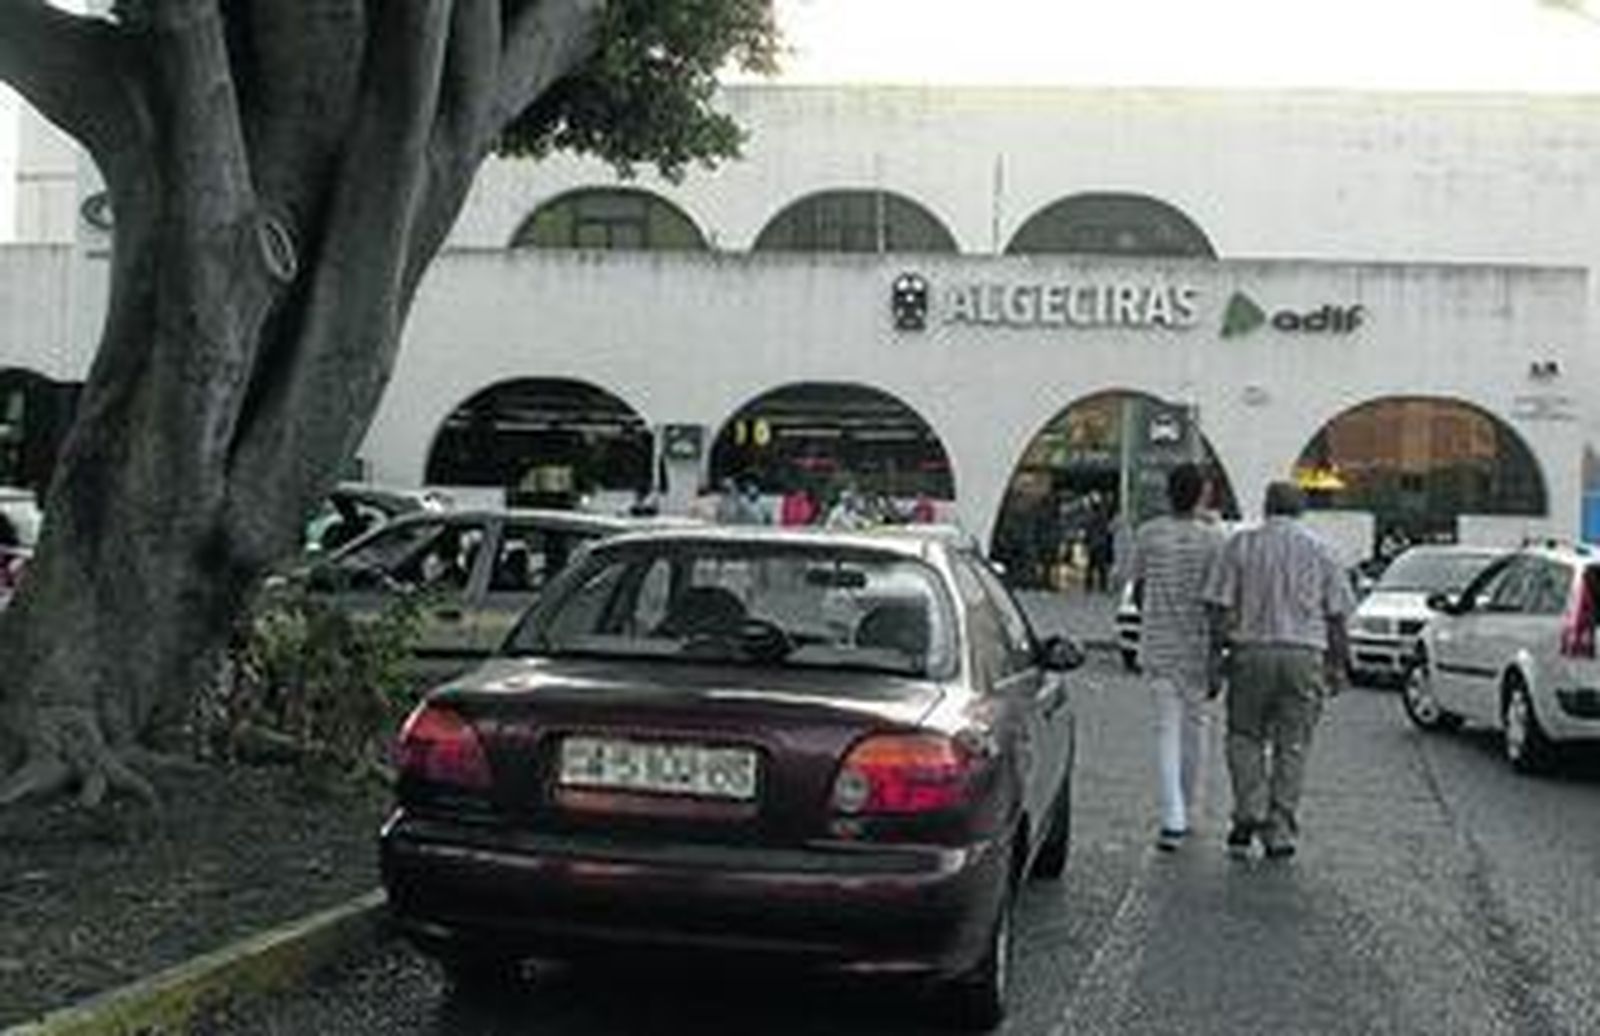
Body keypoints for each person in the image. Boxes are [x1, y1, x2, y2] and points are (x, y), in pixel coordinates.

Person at [1201, 481, 1355, 860]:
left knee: (1243, 735)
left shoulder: (1240, 545)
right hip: (1304, 654)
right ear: (1301, 509)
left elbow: (1218, 606)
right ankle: (1280, 828)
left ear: (1267, 507)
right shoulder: (1323, 550)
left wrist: (1216, 656)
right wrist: (1339, 663)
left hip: (1251, 651)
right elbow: (1336, 615)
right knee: (1293, 744)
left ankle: (1248, 811)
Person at [1124, 463, 1227, 852]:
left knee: (1166, 731)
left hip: (1159, 645)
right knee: (1197, 732)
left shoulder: (1149, 533)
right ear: (1201, 494)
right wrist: (1218, 651)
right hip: (1198, 647)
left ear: (1168, 492)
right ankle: (1193, 808)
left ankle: (1172, 818)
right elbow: (1219, 600)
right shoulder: (1214, 539)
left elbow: (1136, 588)